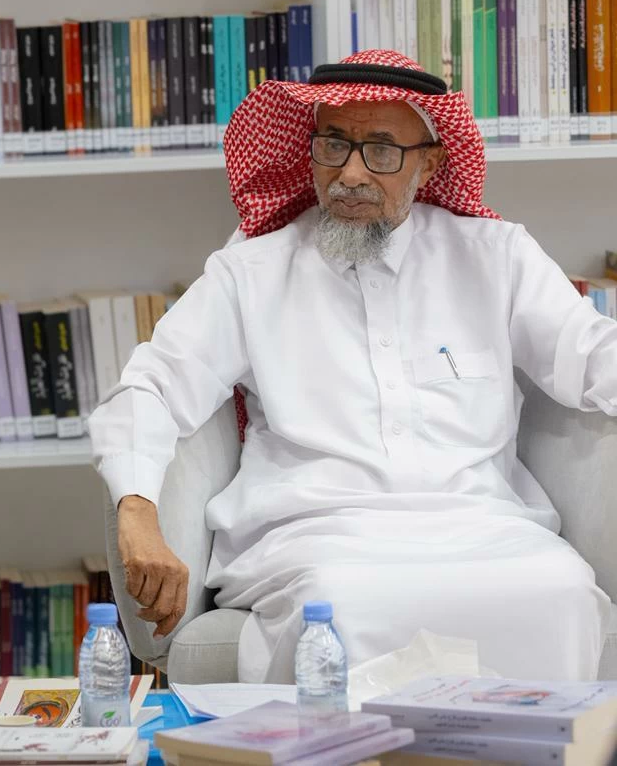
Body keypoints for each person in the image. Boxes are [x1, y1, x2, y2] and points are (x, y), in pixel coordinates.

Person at [90, 49, 614, 683]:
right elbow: (150, 385)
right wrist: (137, 510)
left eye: (382, 151)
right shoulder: (251, 273)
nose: (351, 173)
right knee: (340, 608)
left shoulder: (495, 257)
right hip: (316, 534)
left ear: (430, 162)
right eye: (334, 145)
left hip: (485, 526)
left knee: (562, 592)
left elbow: (593, 355)